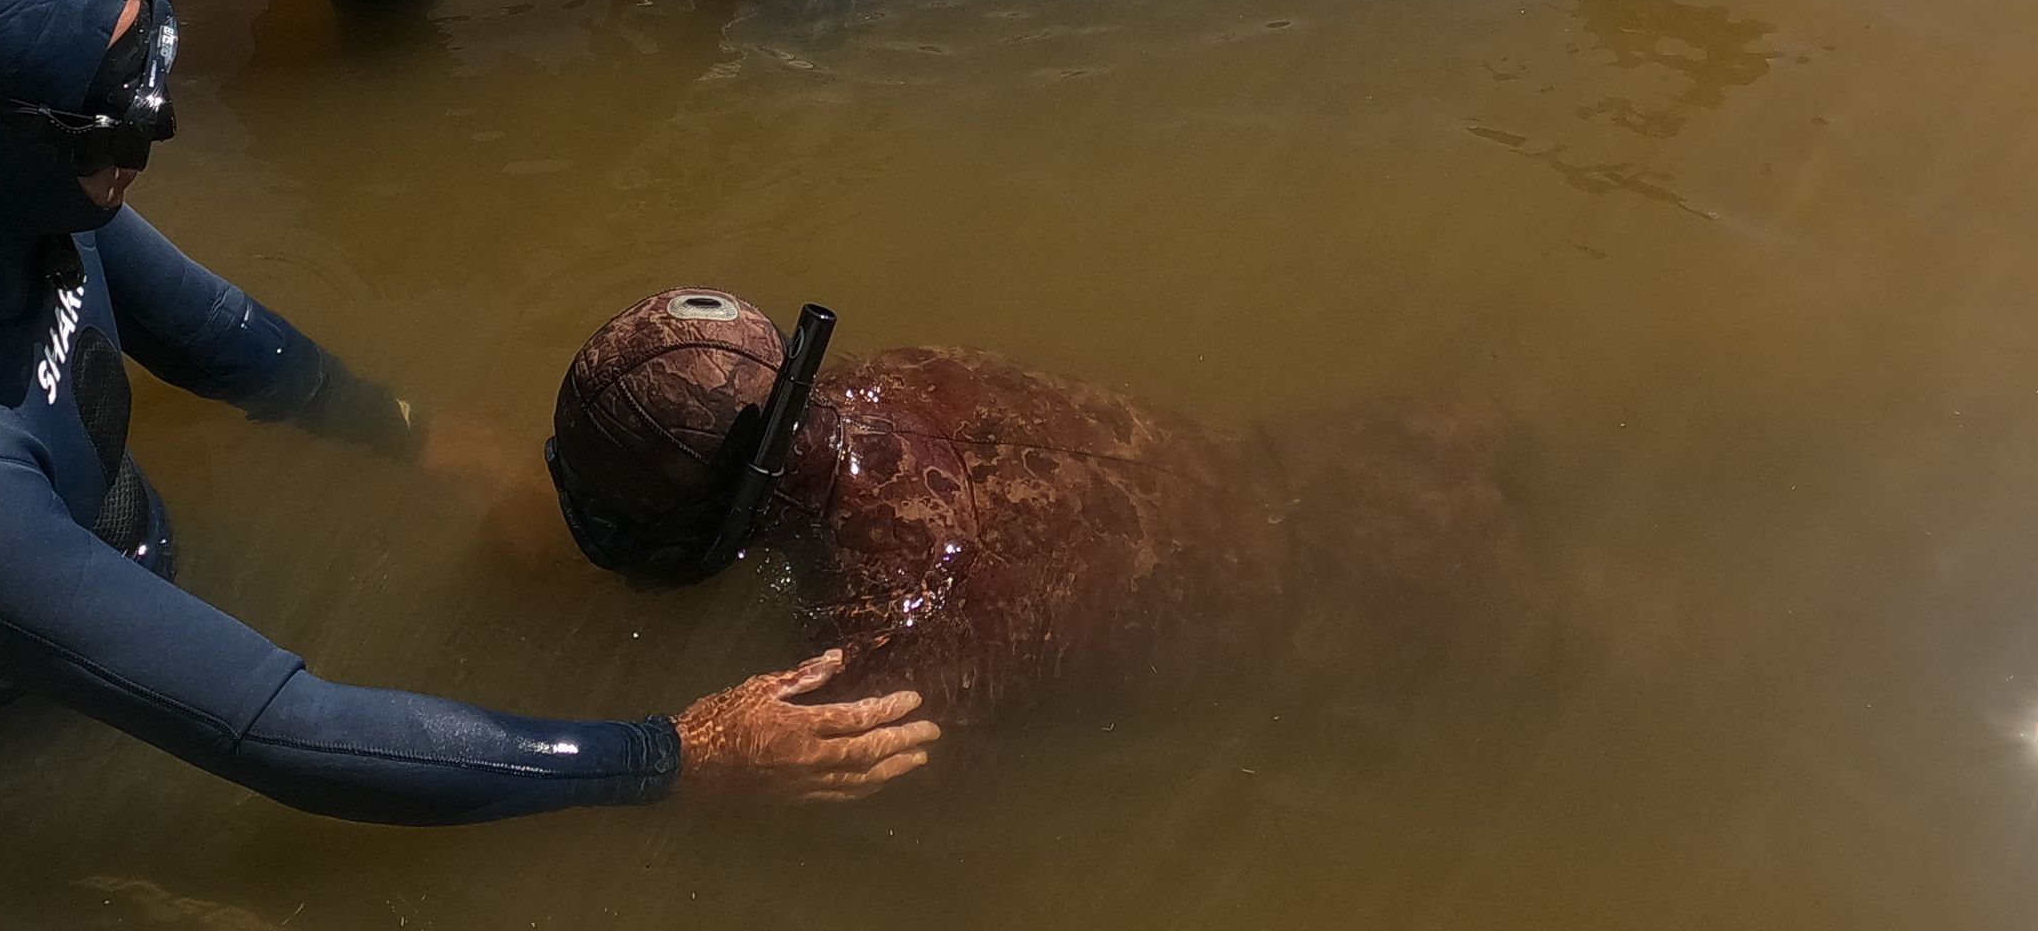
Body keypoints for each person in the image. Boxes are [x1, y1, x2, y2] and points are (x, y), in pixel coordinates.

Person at [0, 0, 938, 816]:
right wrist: (674, 755)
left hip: (106, 547)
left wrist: (418, 438)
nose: (158, 128)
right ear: (2, 140)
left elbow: (212, 331)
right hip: (16, 750)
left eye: (149, 66)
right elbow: (285, 731)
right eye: (123, 108)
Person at [545, 289, 1511, 726]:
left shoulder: (894, 620)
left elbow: (920, 819)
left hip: (1362, 594)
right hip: (1335, 450)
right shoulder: (911, 370)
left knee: (1630, 637)